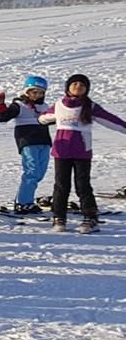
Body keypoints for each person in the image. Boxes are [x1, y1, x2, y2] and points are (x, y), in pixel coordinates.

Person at [40, 73, 126, 233]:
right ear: (68, 88)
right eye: (74, 85)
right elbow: (44, 117)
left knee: (83, 185)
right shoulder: (59, 104)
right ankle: (59, 218)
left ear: (86, 90)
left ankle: (90, 218)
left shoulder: (90, 106)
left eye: (82, 86)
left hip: (82, 151)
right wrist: (43, 119)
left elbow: (111, 120)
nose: (78, 88)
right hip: (61, 151)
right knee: (61, 185)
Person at [0, 75, 54, 211]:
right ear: (26, 92)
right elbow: (3, 117)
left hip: (44, 141)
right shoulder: (19, 105)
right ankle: (23, 202)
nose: (37, 95)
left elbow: (56, 118)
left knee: (40, 173)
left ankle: (25, 196)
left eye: (41, 92)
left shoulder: (44, 106)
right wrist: (0, 105)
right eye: (34, 92)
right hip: (27, 141)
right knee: (31, 171)